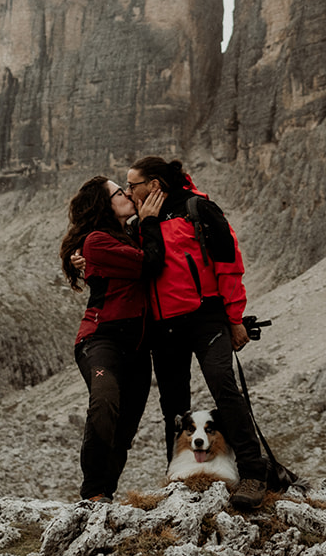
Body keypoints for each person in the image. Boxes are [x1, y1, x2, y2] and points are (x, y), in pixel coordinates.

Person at [127, 156, 270, 511]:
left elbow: (229, 265)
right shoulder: (138, 222)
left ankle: (253, 474)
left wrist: (234, 318)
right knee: (172, 407)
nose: (128, 191)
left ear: (154, 184)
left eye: (133, 185)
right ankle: (177, 476)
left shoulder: (199, 209)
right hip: (163, 326)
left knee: (224, 386)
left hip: (206, 319)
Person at [58, 175, 163, 502]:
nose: (128, 195)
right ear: (104, 204)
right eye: (120, 192)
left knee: (126, 427)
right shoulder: (97, 241)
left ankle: (106, 495)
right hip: (101, 340)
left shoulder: (129, 234)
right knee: (104, 403)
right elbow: (150, 263)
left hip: (137, 347)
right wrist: (149, 222)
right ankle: (92, 493)